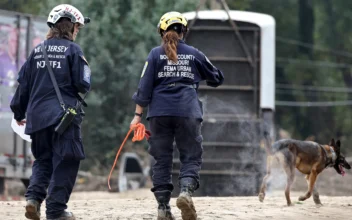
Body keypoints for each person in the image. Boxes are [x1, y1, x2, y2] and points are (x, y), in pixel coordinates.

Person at [130, 11, 224, 220]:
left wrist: (137, 116)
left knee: (161, 160)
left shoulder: (154, 54)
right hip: (187, 112)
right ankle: (185, 193)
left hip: (159, 114)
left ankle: (163, 208)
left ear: (162, 32)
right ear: (184, 31)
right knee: (190, 156)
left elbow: (143, 89)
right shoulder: (194, 54)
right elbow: (217, 77)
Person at [10, 4, 91, 220]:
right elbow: (83, 84)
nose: (78, 31)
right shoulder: (74, 50)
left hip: (37, 119)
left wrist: (18, 113)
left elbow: (22, 88)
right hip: (63, 119)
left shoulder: (37, 51)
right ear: (72, 27)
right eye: (78, 27)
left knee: (43, 161)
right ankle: (55, 211)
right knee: (67, 160)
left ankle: (33, 200)